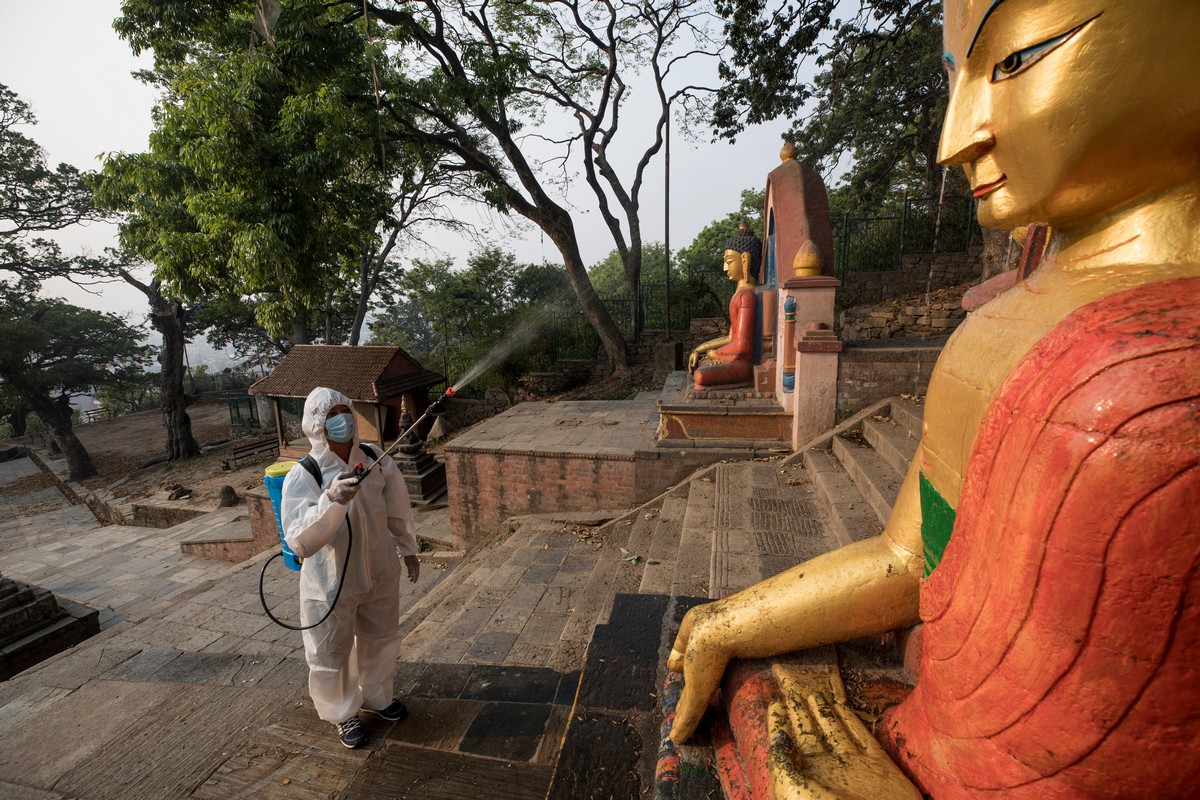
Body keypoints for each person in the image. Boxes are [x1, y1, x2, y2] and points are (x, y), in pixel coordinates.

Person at [667, 0, 1200, 796]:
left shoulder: (1153, 376)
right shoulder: (1012, 315)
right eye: (955, 79)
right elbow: (915, 555)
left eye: (1017, 58)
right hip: (932, 718)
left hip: (982, 764)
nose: (955, 140)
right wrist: (734, 616)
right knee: (740, 673)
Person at [281, 387, 421, 749]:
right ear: (315, 424)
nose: (341, 420)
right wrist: (330, 500)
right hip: (331, 580)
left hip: (378, 568)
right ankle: (343, 713)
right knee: (331, 648)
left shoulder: (375, 458)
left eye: (345, 411)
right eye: (331, 415)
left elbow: (397, 507)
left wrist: (408, 548)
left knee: (381, 637)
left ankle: (378, 696)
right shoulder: (305, 475)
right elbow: (299, 540)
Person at [688, 224, 761, 389]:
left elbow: (742, 347)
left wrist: (714, 354)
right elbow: (731, 338)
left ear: (745, 260)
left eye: (729, 262)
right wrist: (699, 349)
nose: (724, 268)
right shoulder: (740, 294)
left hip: (742, 363)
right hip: (732, 358)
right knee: (701, 364)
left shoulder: (747, 297)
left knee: (701, 375)